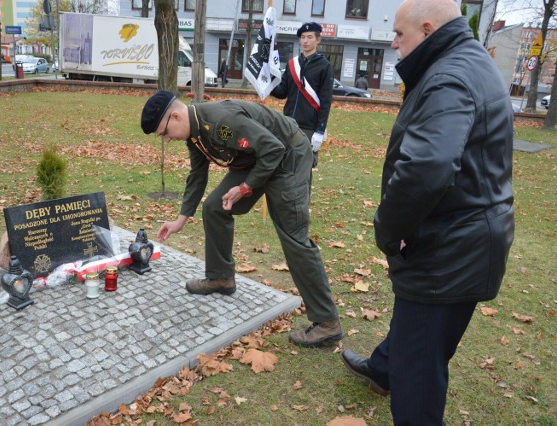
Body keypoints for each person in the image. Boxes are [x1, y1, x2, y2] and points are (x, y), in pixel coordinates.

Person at [340, 0, 515, 424]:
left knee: (420, 373)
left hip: (449, 247)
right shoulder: (467, 60)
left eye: (400, 35)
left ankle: (396, 376)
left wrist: (388, 228)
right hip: (466, 236)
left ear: (428, 28)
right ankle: (384, 370)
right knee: (419, 332)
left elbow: (428, 166)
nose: (395, 44)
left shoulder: (449, 77)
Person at [141, 91, 343, 348]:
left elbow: (274, 149)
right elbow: (197, 174)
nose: (167, 139)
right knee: (214, 207)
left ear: (176, 115)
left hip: (287, 155)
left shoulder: (221, 121)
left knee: (293, 236)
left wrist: (246, 187)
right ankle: (221, 277)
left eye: (164, 133)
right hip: (259, 157)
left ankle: (327, 323)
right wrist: (181, 219)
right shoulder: (195, 134)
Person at [270, 22, 333, 167]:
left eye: (309, 37)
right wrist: (268, 85)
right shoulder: (292, 64)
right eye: (303, 37)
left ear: (318, 40)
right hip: (288, 123)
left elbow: (326, 101)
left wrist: (320, 131)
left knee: (303, 171)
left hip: (309, 128)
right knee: (284, 167)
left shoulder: (325, 66)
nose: (305, 41)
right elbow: (282, 92)